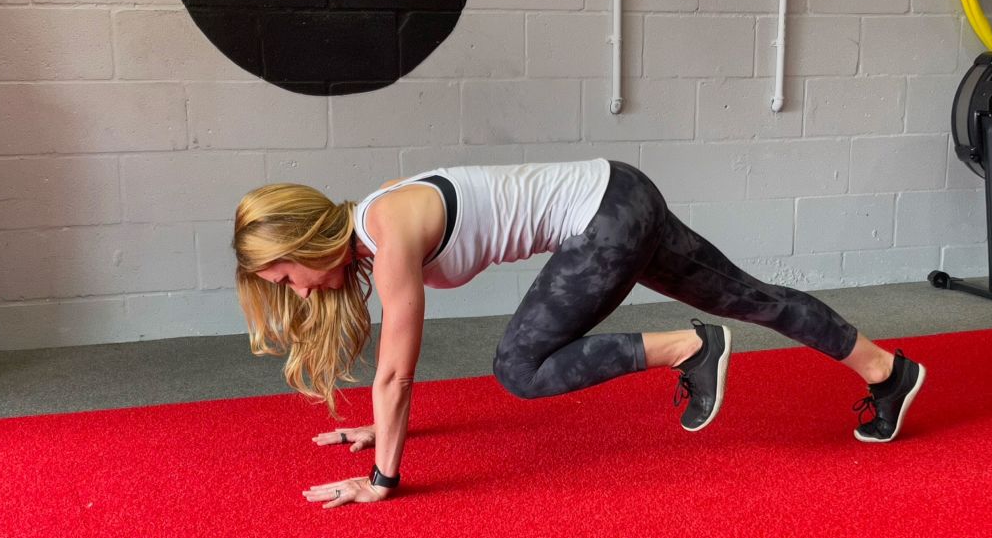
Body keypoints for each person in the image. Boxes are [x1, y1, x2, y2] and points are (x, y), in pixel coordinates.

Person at [232, 158, 926, 509]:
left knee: (518, 365)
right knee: (749, 296)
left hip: (606, 220)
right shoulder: (375, 213)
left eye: (285, 276)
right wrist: (376, 427)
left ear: (303, 239)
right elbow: (390, 373)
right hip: (621, 189)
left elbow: (396, 371)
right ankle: (886, 371)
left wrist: (383, 474)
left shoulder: (388, 235)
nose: (294, 291)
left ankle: (690, 347)